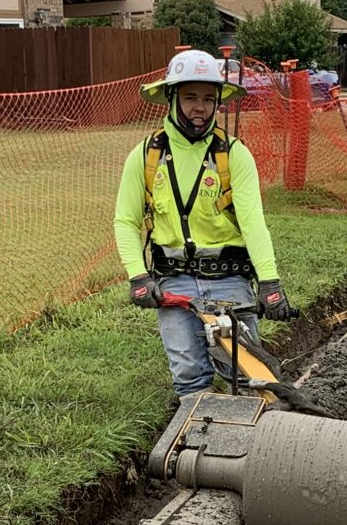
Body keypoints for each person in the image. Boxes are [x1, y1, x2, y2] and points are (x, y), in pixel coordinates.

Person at [114, 49, 294, 399]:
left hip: (230, 278)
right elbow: (125, 221)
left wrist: (269, 281)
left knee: (246, 372)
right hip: (174, 282)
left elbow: (253, 223)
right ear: (171, 98)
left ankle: (258, 426)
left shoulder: (233, 154)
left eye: (209, 99)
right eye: (190, 97)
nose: (200, 107)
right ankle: (200, 426)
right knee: (188, 373)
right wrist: (138, 276)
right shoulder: (146, 156)